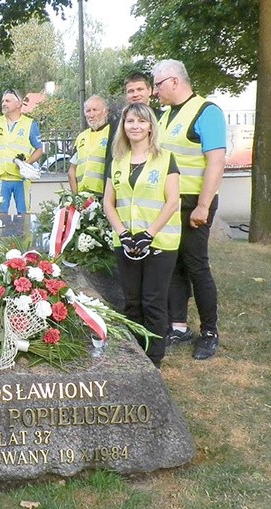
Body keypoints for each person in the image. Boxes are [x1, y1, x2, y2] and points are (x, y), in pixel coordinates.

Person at [152, 59, 227, 360]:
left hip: (195, 203)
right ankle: (179, 326)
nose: (155, 91)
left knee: (197, 266)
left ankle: (209, 331)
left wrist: (204, 206)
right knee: (174, 265)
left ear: (173, 82)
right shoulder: (166, 115)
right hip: (170, 203)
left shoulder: (207, 112)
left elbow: (216, 161)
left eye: (157, 85)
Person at [102, 103, 181, 369]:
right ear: (123, 127)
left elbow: (172, 202)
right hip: (126, 242)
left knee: (153, 301)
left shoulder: (165, 158)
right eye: (129, 121)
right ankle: (135, 356)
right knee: (132, 301)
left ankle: (154, 359)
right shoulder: (118, 161)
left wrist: (149, 234)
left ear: (150, 126)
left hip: (158, 243)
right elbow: (108, 202)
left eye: (141, 121)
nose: (135, 126)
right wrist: (123, 234)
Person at [0, 89, 43, 215]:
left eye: (7, 101)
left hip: (21, 178)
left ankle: (25, 236)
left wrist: (26, 163)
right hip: (0, 179)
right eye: (3, 101)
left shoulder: (30, 124)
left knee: (24, 215)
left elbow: (39, 150)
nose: (4, 103)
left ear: (18, 104)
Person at [104, 71, 154, 183]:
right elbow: (110, 159)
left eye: (140, 89)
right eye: (131, 91)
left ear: (150, 90)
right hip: (123, 182)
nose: (135, 94)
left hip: (153, 181)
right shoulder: (116, 124)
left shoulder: (162, 118)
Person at [68, 95, 110, 196]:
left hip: (104, 194)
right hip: (83, 195)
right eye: (88, 111)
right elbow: (72, 170)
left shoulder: (112, 133)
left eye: (95, 110)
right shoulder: (82, 137)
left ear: (106, 112)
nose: (91, 115)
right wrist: (76, 197)